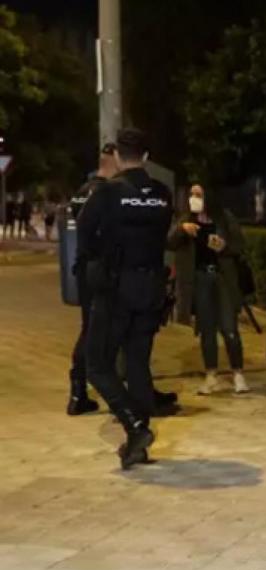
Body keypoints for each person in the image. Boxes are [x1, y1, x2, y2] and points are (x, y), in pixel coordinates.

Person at [78, 128, 173, 469]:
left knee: (98, 363)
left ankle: (134, 426)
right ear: (146, 157)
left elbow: (85, 236)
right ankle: (140, 443)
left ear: (117, 155)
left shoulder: (107, 193)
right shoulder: (163, 194)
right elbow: (161, 234)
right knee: (138, 363)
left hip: (116, 289)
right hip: (151, 287)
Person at [167, 184, 250, 395]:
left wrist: (224, 247)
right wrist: (182, 230)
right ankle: (211, 375)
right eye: (192, 194)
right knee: (207, 330)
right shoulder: (187, 218)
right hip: (199, 279)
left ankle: (238, 373)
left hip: (222, 278)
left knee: (229, 328)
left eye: (199, 194)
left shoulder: (223, 217)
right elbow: (170, 242)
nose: (194, 198)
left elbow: (239, 245)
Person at [66, 143, 119, 415]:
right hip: (102, 270)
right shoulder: (105, 193)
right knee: (100, 332)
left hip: (84, 269)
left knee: (88, 328)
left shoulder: (81, 192)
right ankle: (108, 390)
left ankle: (78, 391)